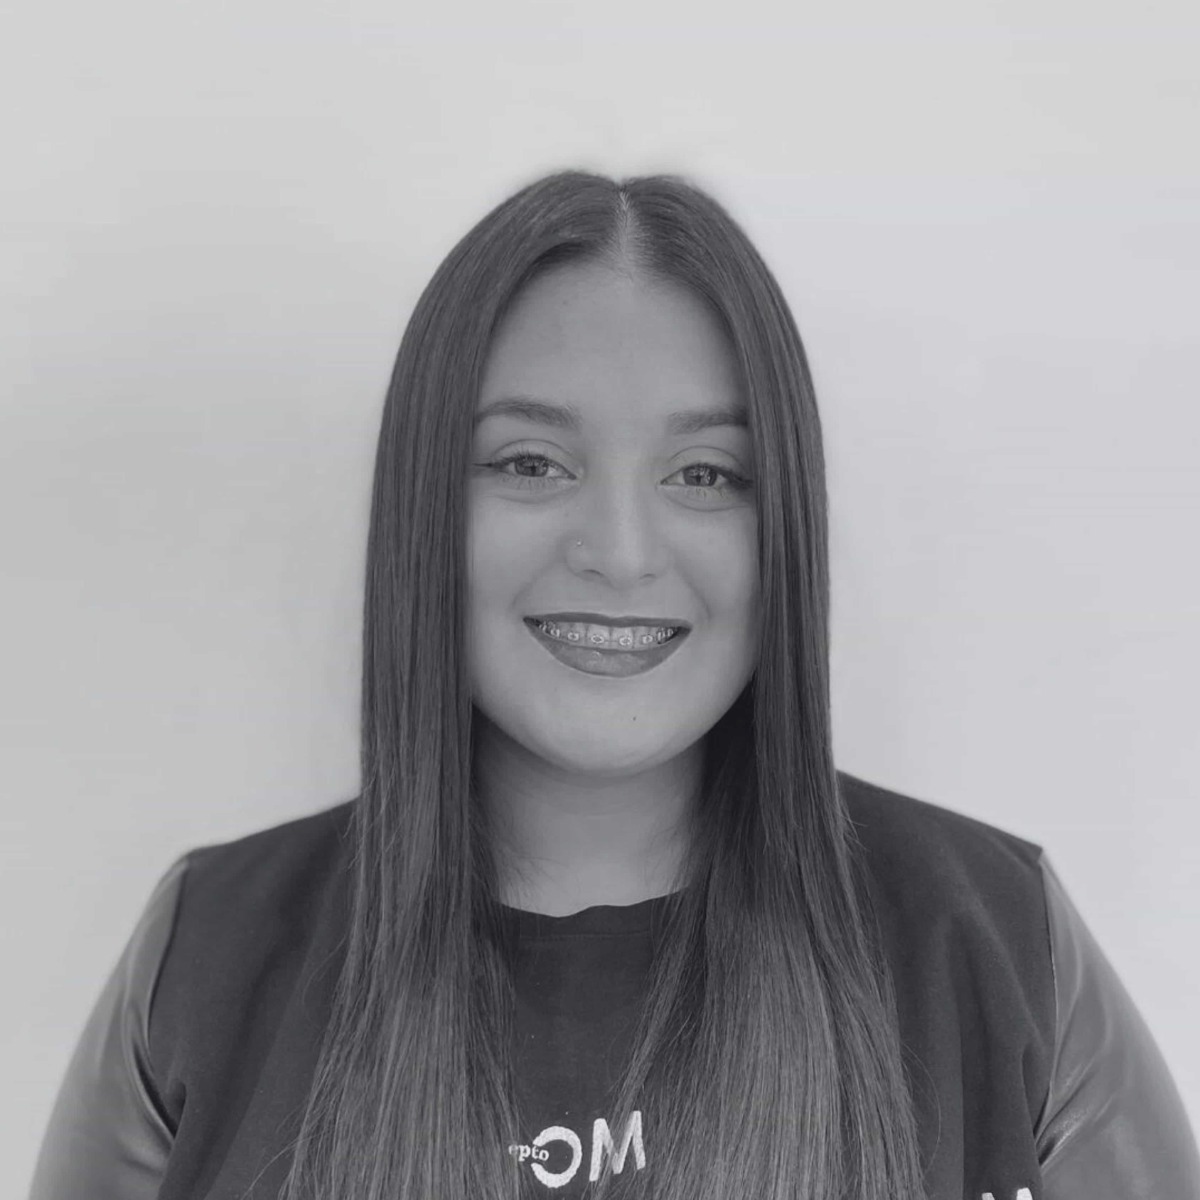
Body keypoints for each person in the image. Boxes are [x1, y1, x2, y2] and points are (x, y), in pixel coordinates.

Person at [28, 169, 1200, 1200]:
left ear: (780, 528)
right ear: (426, 504)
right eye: (532, 462)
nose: (623, 552)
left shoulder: (994, 939)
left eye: (706, 473)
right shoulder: (210, 953)